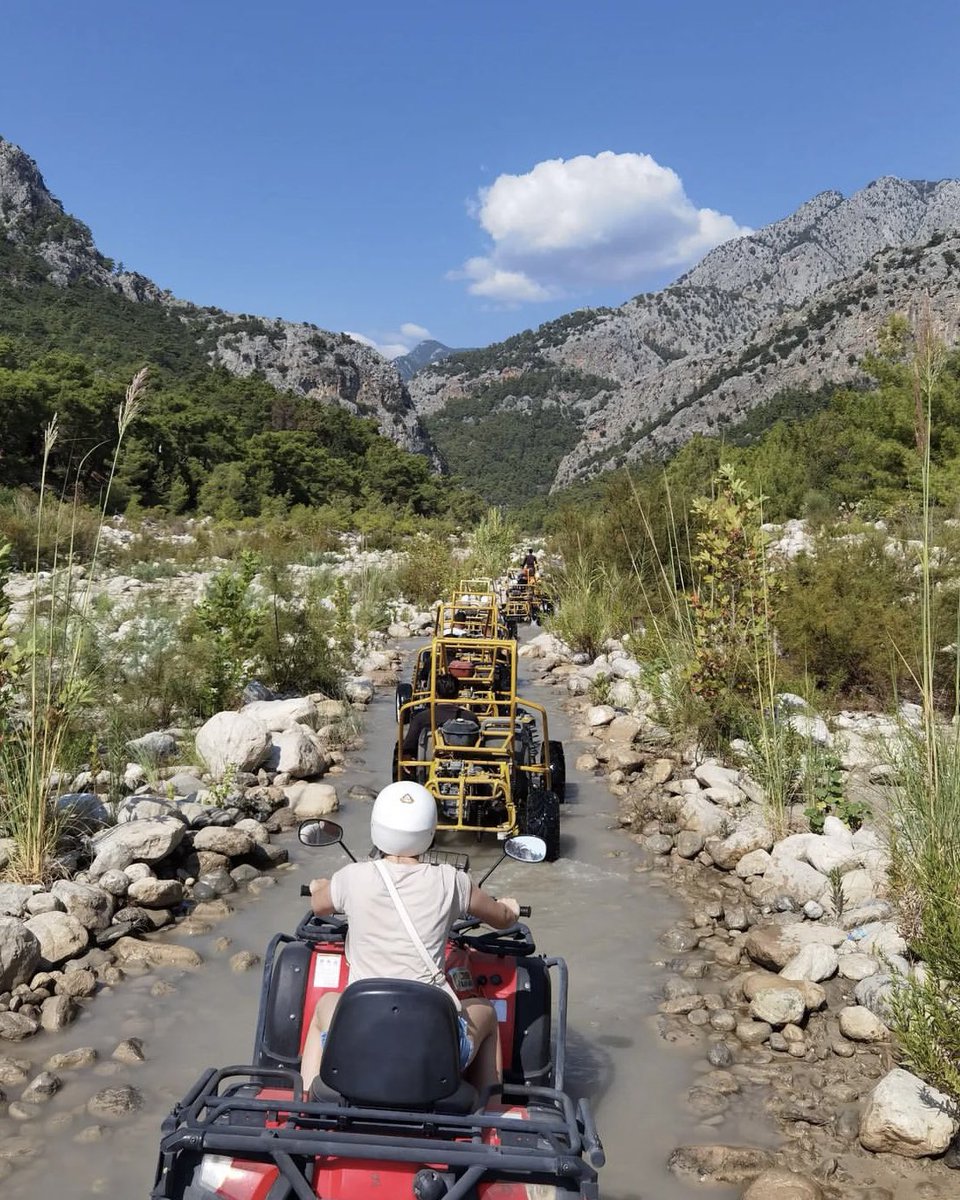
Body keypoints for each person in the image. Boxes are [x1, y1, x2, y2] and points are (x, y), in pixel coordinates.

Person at [300, 782, 520, 1097]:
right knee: (483, 1010)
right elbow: (500, 918)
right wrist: (510, 909)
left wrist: (321, 885)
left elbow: (318, 905)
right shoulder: (451, 881)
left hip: (357, 1041)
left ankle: (309, 1102)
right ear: (429, 830)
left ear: (377, 826)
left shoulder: (352, 877)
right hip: (432, 1052)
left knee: (326, 1004)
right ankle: (492, 1112)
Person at [401, 672, 463, 757]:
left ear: (436, 694)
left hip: (426, 764)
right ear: (457, 694)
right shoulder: (470, 718)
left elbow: (407, 750)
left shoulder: (421, 719)